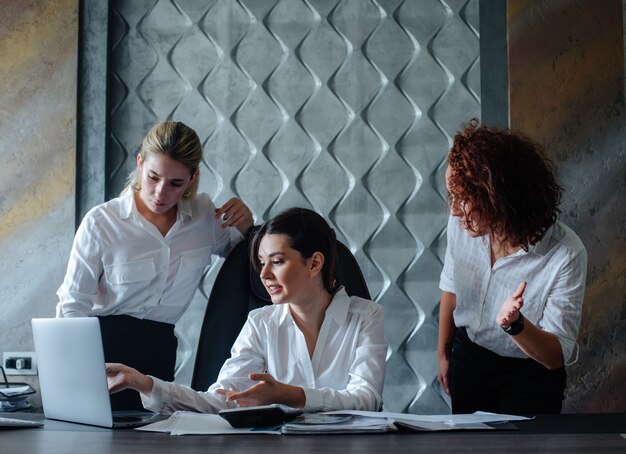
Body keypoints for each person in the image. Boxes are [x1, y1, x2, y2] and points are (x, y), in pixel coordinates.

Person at [105, 208, 387, 414]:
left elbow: (366, 399)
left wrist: (289, 395)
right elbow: (221, 399)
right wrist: (145, 384)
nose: (264, 274)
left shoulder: (366, 316)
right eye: (261, 262)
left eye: (276, 261)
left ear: (314, 264)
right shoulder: (261, 322)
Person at [56, 121, 253, 409]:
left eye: (176, 183)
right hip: (102, 352)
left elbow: (250, 267)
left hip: (158, 354)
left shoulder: (204, 217)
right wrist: (78, 372)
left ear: (193, 178)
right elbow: (72, 304)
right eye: (153, 177)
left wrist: (248, 230)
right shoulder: (102, 222)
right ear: (140, 164)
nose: (161, 193)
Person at [437, 120, 587, 415]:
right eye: (451, 196)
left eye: (463, 199)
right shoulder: (461, 224)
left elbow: (555, 356)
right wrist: (443, 352)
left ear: (498, 198)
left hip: (529, 374)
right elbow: (451, 286)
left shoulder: (566, 254)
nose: (453, 210)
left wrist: (515, 325)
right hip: (469, 359)